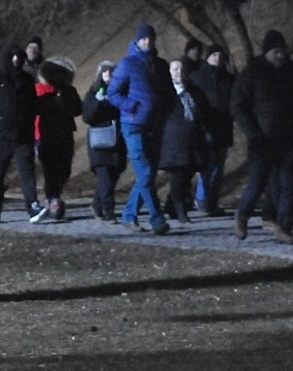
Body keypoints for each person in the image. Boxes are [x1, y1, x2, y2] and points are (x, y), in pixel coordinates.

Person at [231, 29, 293, 244]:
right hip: (261, 139)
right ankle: (242, 215)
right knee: (257, 183)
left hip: (287, 138)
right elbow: (237, 105)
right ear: (266, 52)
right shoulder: (253, 72)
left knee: (290, 184)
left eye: (283, 51)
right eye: (276, 52)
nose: (280, 56)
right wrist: (253, 133)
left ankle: (284, 226)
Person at [106, 23, 173, 235]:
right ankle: (157, 219)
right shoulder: (127, 64)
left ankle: (128, 214)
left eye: (150, 38)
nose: (148, 42)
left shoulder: (161, 65)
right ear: (137, 41)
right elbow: (113, 93)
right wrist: (131, 106)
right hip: (133, 124)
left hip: (154, 124)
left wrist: (165, 111)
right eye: (144, 38)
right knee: (145, 171)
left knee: (148, 173)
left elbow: (169, 92)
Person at [0, 43, 41, 225]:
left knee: (27, 171)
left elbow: (33, 102)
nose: (15, 61)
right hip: (1, 134)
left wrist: (29, 118)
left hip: (23, 134)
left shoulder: (27, 79)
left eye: (18, 57)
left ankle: (33, 205)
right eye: (12, 57)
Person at [158, 57, 209, 227]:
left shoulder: (192, 91)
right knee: (178, 176)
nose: (178, 72)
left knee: (187, 174)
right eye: (174, 69)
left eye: (180, 69)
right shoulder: (166, 92)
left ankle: (170, 206)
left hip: (193, 140)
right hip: (174, 140)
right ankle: (180, 211)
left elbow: (201, 110)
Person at [31, 57, 81, 222]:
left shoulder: (68, 90)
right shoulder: (38, 89)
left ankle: (55, 196)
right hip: (44, 135)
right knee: (50, 169)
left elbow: (77, 110)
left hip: (65, 133)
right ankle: (53, 200)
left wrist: (64, 97)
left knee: (64, 169)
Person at [189, 45, 235, 216]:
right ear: (207, 57)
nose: (217, 57)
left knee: (218, 167)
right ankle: (201, 198)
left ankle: (212, 200)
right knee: (206, 165)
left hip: (223, 126)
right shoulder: (197, 77)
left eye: (220, 55)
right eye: (214, 54)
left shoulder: (229, 79)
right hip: (205, 127)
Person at [81, 61, 125, 223]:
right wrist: (99, 102)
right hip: (100, 142)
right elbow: (87, 117)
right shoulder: (93, 93)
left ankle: (97, 204)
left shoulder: (120, 91)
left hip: (117, 142)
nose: (108, 75)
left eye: (111, 72)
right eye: (105, 72)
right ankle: (108, 211)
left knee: (113, 177)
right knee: (105, 177)